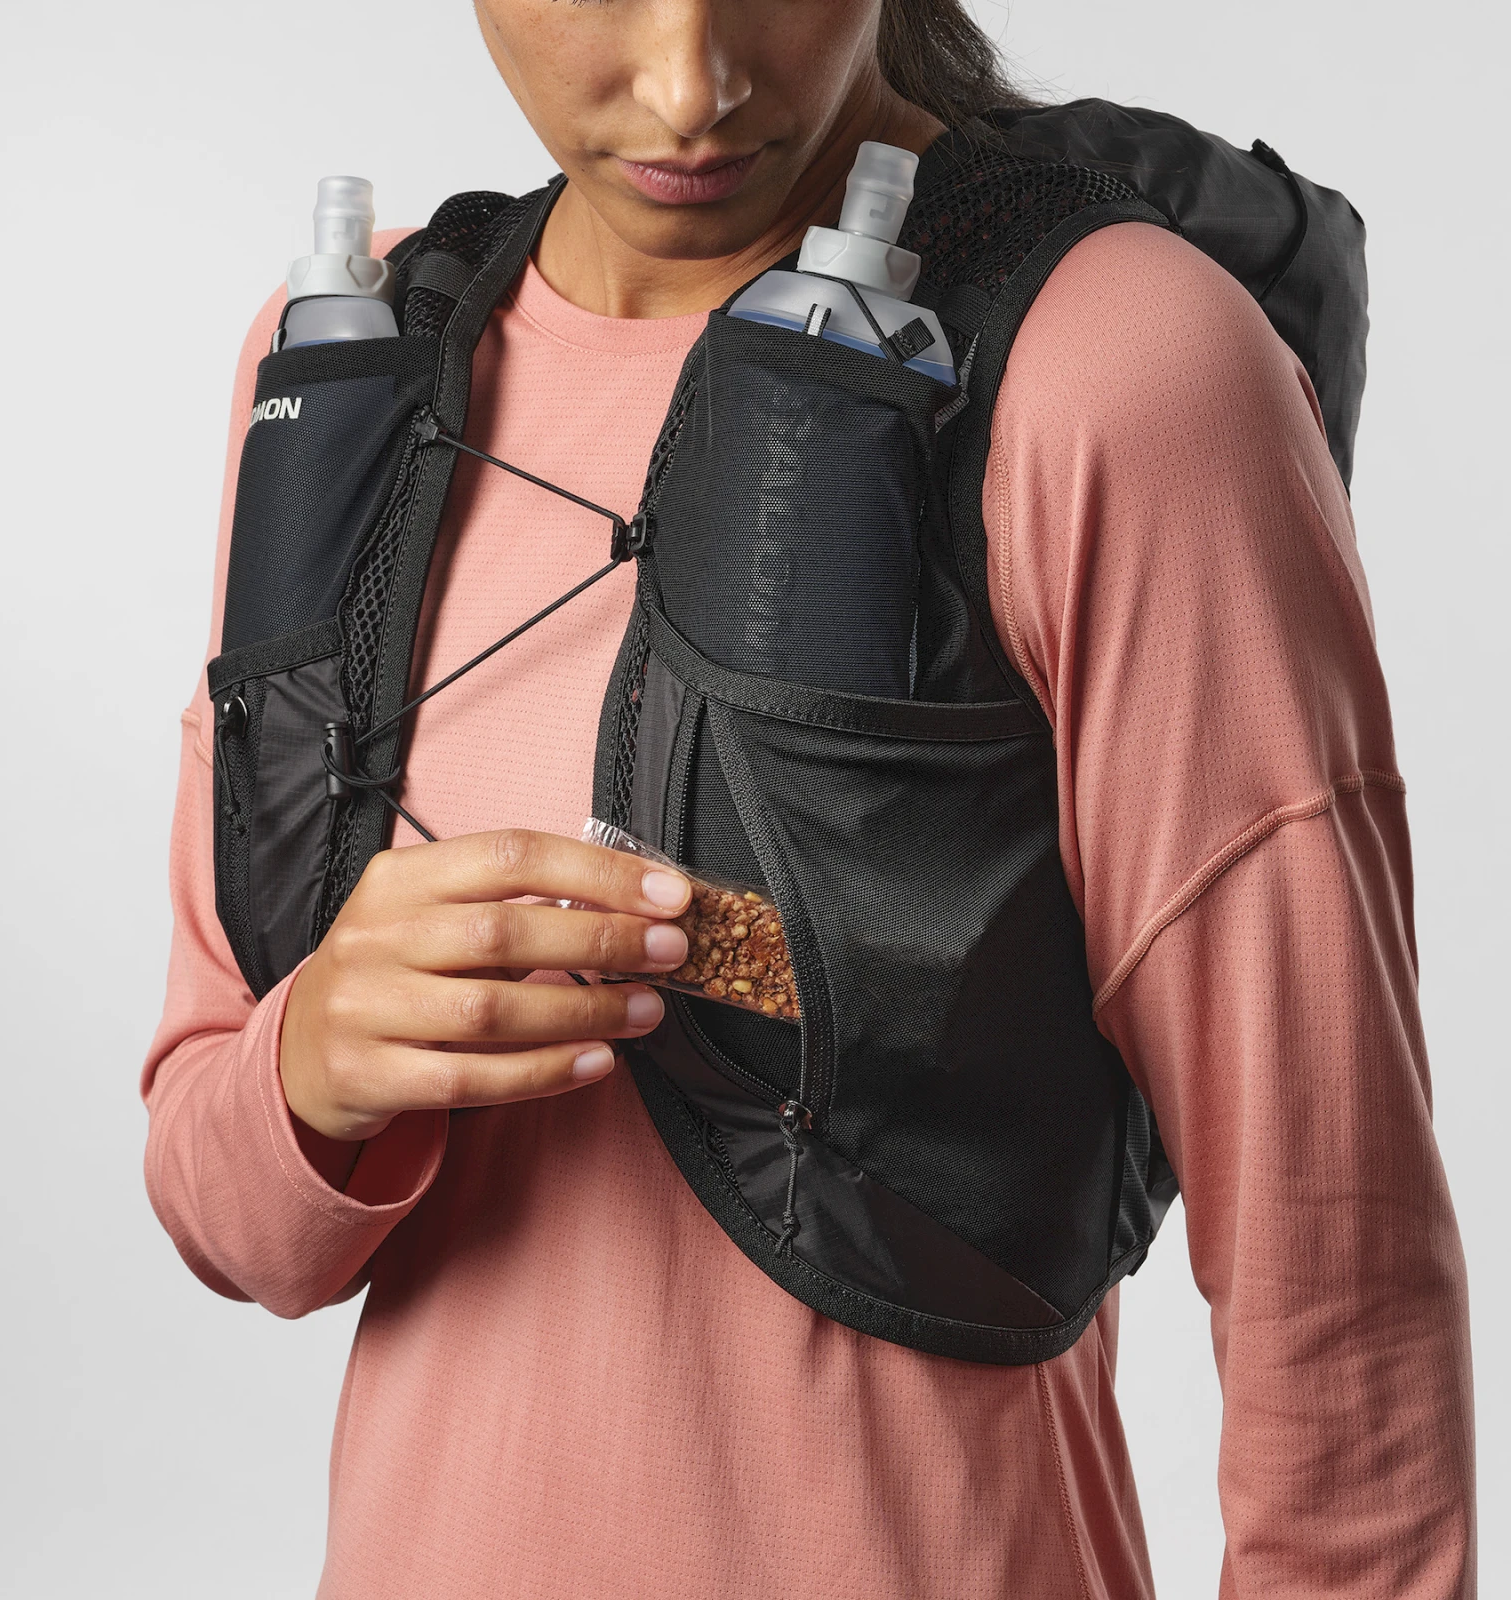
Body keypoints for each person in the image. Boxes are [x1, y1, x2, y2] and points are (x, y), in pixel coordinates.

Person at [142, 1, 1475, 1594]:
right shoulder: (344, 367)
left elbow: (1336, 1274)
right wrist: (311, 1064)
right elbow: (224, 1213)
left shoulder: (1126, 367)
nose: (688, 86)